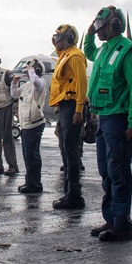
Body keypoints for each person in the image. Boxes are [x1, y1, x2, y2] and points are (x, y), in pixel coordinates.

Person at [82, 6, 132, 237]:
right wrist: (89, 31)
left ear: (115, 25)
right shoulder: (105, 50)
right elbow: (89, 50)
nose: (98, 31)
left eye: (101, 27)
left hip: (118, 119)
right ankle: (111, 220)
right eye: (96, 27)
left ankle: (122, 225)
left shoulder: (126, 52)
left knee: (118, 172)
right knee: (106, 171)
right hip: (103, 118)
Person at [49, 24, 88, 206]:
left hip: (72, 105)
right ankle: (69, 193)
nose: (57, 42)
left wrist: (79, 109)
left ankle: (74, 195)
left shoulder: (75, 56)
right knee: (65, 149)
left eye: (60, 39)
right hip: (64, 105)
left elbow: (81, 84)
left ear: (70, 39)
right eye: (56, 39)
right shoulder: (64, 56)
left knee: (70, 150)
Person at [13, 59, 48, 194]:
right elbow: (14, 94)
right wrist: (14, 83)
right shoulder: (27, 85)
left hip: (35, 124)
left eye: (30, 71)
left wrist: (31, 69)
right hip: (26, 124)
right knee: (27, 155)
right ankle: (30, 182)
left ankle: (35, 184)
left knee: (32, 155)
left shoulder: (41, 83)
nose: (27, 74)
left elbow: (36, 82)